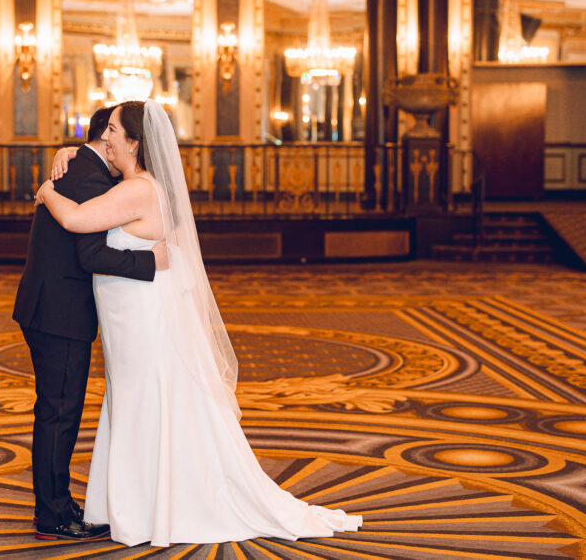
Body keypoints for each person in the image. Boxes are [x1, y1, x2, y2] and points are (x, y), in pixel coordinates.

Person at [36, 100, 362, 547]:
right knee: (136, 404)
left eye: (111, 130)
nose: (103, 138)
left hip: (140, 317)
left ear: (134, 143)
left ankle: (156, 506)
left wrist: (46, 191)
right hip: (126, 316)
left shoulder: (138, 190)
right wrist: (68, 153)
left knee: (147, 402)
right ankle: (143, 504)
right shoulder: (130, 184)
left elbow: (75, 220)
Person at [13, 105, 169, 542]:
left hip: (48, 307)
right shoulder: (92, 179)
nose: (112, 142)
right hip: (61, 315)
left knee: (56, 411)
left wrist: (58, 165)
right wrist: (151, 262)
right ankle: (53, 516)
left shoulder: (79, 167)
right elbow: (90, 255)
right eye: (111, 132)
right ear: (105, 139)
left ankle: (55, 505)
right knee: (59, 415)